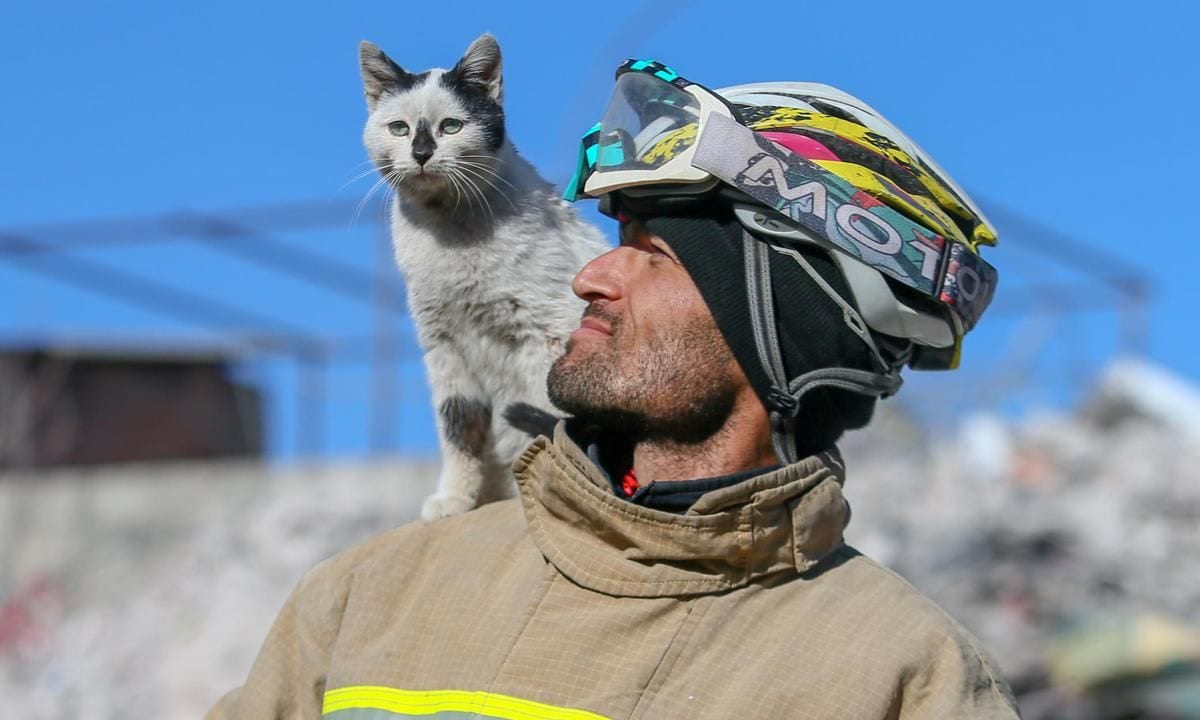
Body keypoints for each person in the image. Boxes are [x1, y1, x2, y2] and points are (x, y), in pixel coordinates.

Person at [208, 60, 1018, 719]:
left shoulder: (902, 680)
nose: (592, 273)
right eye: (616, 237)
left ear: (784, 329)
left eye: (657, 254)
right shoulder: (368, 598)